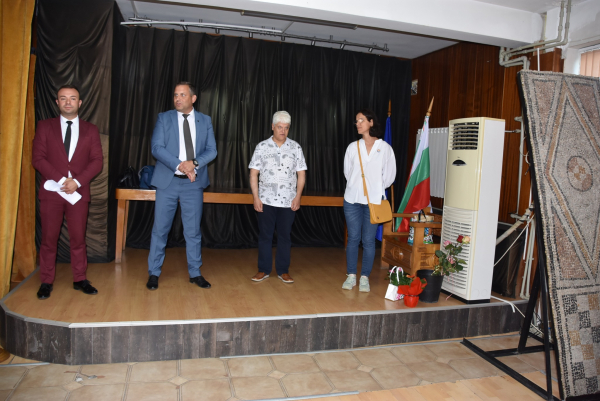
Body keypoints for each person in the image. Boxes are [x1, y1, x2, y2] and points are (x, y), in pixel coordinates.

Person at [32, 84, 103, 300]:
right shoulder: (45, 126)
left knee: (78, 238)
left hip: (77, 194)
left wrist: (77, 182)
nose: (68, 102)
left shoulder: (91, 130)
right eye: (63, 98)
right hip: (52, 193)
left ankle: (80, 279)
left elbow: (97, 162)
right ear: (57, 102)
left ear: (79, 103)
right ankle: (46, 281)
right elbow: (38, 159)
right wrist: (63, 180)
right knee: (49, 239)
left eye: (72, 98)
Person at [146, 82, 217, 291]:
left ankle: (195, 272)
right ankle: (154, 273)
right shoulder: (164, 118)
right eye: (176, 95)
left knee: (193, 231)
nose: (177, 98)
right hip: (167, 182)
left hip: (193, 185)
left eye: (183, 95)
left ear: (193, 98)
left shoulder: (205, 120)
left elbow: (212, 150)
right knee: (160, 230)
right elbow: (156, 148)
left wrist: (193, 163)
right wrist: (180, 165)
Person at [249, 111, 307, 284]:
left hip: (288, 201)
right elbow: (253, 174)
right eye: (280, 127)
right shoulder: (261, 147)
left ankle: (283, 271)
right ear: (272, 127)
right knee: (265, 236)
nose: (283, 131)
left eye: (286, 128)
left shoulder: (295, 147)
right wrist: (256, 197)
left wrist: (298, 196)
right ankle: (263, 269)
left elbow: (301, 175)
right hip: (265, 200)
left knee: (285, 236)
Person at [342, 109, 396, 292]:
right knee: (353, 238)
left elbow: (389, 176)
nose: (357, 124)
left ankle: (364, 277)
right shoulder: (352, 147)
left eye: (361, 120)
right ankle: (351, 276)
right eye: (356, 121)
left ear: (371, 122)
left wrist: (375, 189)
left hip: (374, 201)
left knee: (368, 240)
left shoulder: (385, 148)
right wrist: (357, 186)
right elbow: (347, 172)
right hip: (352, 199)